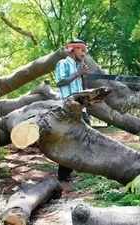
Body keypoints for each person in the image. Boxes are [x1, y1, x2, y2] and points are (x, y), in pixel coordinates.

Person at [54, 39, 91, 181]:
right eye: (82, 50)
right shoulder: (62, 63)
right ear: (73, 49)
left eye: (84, 51)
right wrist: (77, 73)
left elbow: (81, 89)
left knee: (85, 137)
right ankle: (63, 175)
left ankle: (72, 171)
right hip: (68, 107)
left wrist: (82, 73)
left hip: (80, 108)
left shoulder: (77, 66)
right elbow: (60, 81)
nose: (84, 53)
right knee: (70, 140)